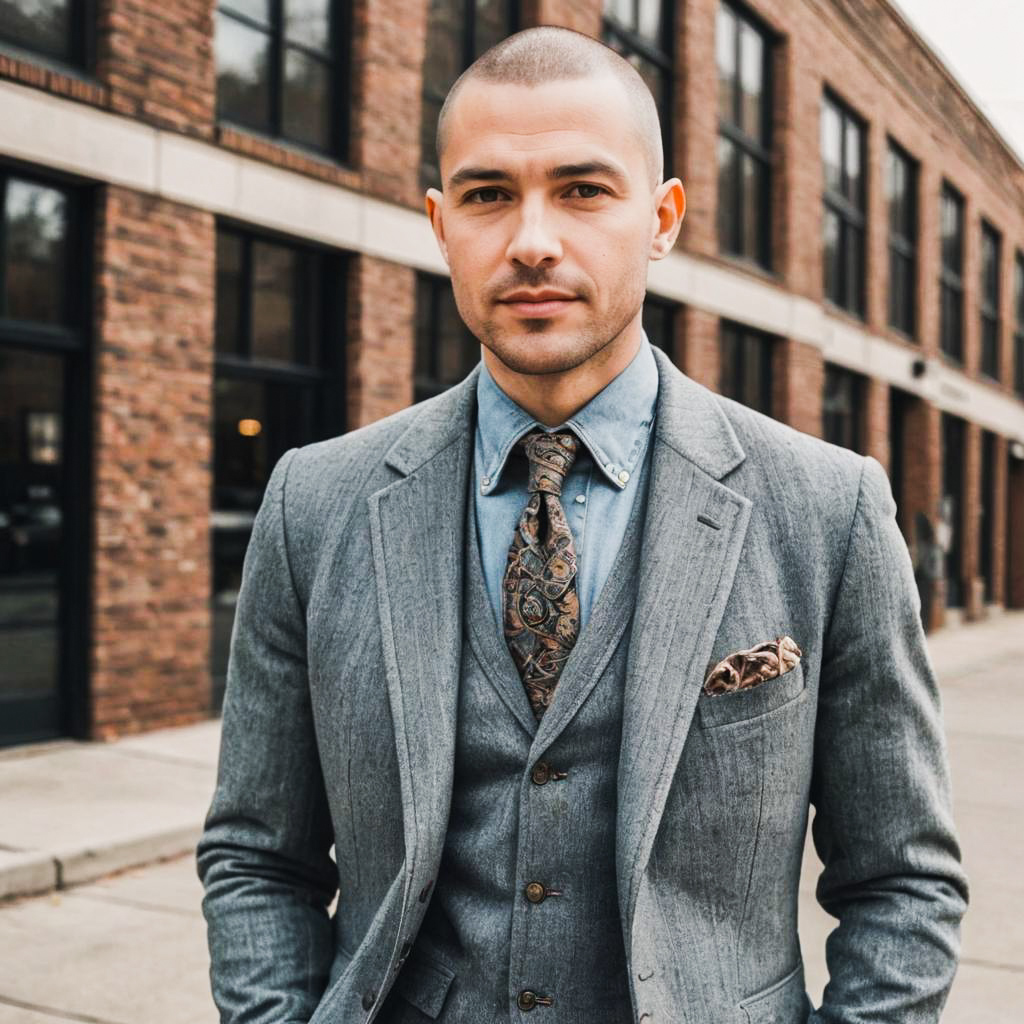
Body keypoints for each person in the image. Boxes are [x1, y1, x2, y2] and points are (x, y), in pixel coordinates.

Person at [196, 25, 968, 1024]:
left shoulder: (826, 507)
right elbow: (256, 854)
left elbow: (903, 881)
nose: (530, 240)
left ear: (663, 217)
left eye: (581, 188)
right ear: (439, 223)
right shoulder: (316, 501)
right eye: (486, 195)